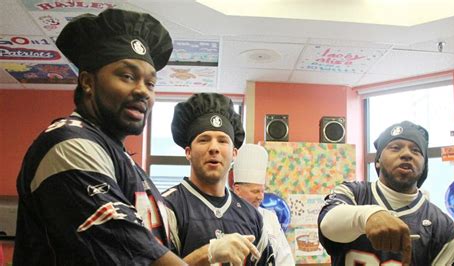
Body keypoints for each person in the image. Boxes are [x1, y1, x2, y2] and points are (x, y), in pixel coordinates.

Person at [13, 9, 256, 266]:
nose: (142, 90)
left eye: (150, 84)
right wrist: (207, 253)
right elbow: (136, 256)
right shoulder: (68, 145)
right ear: (87, 82)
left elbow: (154, 251)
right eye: (127, 76)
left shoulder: (128, 165)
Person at [318, 121, 454, 265]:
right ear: (378, 160)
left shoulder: (443, 227)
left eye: (416, 150)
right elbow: (327, 225)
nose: (406, 154)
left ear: (424, 166)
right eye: (395, 147)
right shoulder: (352, 193)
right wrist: (369, 216)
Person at [162, 93, 274, 265]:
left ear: (234, 153)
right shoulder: (167, 208)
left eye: (222, 141)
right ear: (188, 152)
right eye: (204, 140)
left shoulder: (251, 216)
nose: (214, 148)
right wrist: (207, 254)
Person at [233, 144, 295, 265]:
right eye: (255, 191)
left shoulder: (270, 217)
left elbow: (284, 258)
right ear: (237, 190)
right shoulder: (226, 215)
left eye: (262, 191)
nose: (260, 196)